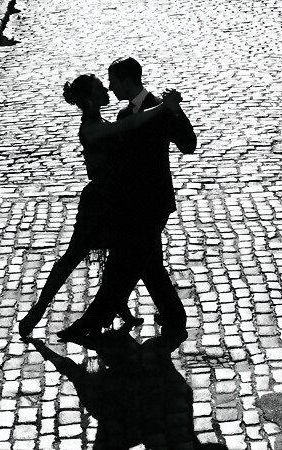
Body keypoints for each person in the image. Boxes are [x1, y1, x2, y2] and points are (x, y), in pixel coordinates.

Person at [19, 73, 183, 339]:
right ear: (89, 98)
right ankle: (36, 312)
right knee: (73, 257)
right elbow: (129, 126)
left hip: (117, 199)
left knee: (124, 257)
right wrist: (164, 107)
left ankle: (120, 310)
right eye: (100, 87)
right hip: (99, 204)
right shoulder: (91, 128)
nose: (107, 89)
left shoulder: (101, 121)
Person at [56, 57, 196, 348]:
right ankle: (174, 316)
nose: (110, 86)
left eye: (113, 81)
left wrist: (177, 110)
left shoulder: (160, 106)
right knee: (149, 265)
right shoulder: (123, 115)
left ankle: (91, 322)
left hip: (152, 203)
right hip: (131, 203)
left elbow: (188, 144)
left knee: (121, 266)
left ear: (127, 81)